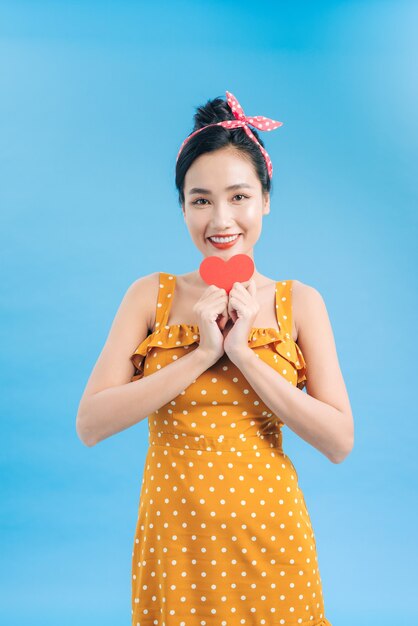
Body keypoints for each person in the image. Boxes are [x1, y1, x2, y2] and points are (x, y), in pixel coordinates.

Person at [76, 90, 354, 625]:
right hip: (175, 542)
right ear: (181, 206)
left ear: (266, 199)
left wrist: (243, 354)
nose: (221, 218)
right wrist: (201, 352)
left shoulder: (301, 303)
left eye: (239, 197)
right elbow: (90, 424)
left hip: (271, 539)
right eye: (200, 199)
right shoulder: (147, 296)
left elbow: (339, 441)